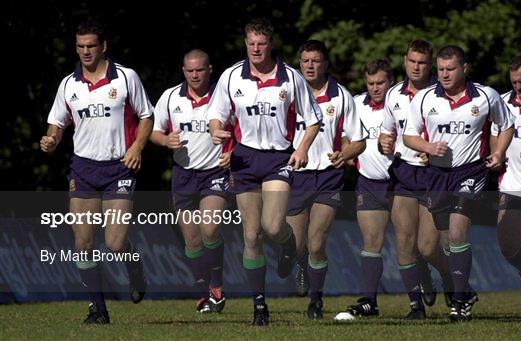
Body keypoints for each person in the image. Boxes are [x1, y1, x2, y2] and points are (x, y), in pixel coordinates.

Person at [207, 17, 323, 326]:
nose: (256, 49)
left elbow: (313, 120)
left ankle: (287, 245)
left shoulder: (291, 78)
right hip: (244, 160)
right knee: (251, 234)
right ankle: (259, 304)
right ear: (245, 44)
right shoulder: (232, 76)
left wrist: (301, 149)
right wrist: (217, 131)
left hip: (277, 159)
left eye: (261, 43)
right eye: (251, 44)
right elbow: (216, 116)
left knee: (272, 226)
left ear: (270, 44)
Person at [40, 20, 153, 324]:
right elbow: (58, 123)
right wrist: (51, 139)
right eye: (80, 46)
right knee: (83, 242)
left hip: (120, 167)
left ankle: (134, 266)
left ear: (103, 46)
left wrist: (137, 147)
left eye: (91, 45)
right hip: (84, 168)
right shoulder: (69, 84)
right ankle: (98, 310)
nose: (85, 51)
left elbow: (146, 116)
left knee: (115, 243)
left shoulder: (126, 77)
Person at [403, 45, 515, 322]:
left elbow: (507, 124)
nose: (444, 74)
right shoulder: (425, 98)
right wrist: (428, 147)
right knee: (442, 242)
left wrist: (499, 152)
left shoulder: (487, 96)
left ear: (464, 68)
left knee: (457, 231)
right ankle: (464, 290)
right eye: (440, 69)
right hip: (438, 175)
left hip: (471, 172)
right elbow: (408, 136)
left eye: (450, 69)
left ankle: (460, 301)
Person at [285, 40, 365, 320]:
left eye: (316, 60)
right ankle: (302, 266)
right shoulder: (289, 93)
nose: (310, 65)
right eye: (305, 60)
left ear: (325, 63)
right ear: (299, 62)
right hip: (294, 177)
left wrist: (345, 154)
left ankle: (316, 300)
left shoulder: (341, 96)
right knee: (296, 245)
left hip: (328, 178)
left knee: (317, 242)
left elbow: (359, 142)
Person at [150, 49, 232, 313]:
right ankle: (206, 292)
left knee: (209, 228)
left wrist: (232, 151)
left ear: (210, 70)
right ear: (183, 71)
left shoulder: (224, 94)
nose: (194, 75)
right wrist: (165, 140)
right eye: (189, 70)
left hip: (214, 173)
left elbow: (244, 128)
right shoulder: (171, 96)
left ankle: (217, 288)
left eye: (200, 70)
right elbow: (153, 131)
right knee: (193, 243)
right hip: (184, 174)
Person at [378, 39, 453, 318]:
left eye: (422, 62)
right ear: (405, 61)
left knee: (428, 245)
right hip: (404, 172)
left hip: (434, 174)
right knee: (404, 241)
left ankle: (445, 274)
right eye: (412, 61)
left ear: (430, 64)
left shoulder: (442, 94)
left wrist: (432, 152)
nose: (416, 67)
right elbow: (387, 134)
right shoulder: (394, 94)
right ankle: (415, 305)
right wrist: (382, 144)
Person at [334, 58, 394, 320]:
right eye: (370, 83)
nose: (375, 88)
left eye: (380, 82)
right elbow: (346, 133)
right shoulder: (356, 104)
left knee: (417, 245)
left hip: (403, 182)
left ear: (391, 81)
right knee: (371, 243)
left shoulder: (402, 103)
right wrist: (346, 150)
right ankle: (369, 300)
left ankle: (424, 295)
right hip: (368, 182)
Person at [491, 54, 521, 318]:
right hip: (512, 185)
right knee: (507, 244)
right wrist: (495, 156)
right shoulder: (502, 102)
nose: (518, 87)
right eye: (513, 82)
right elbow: (493, 136)